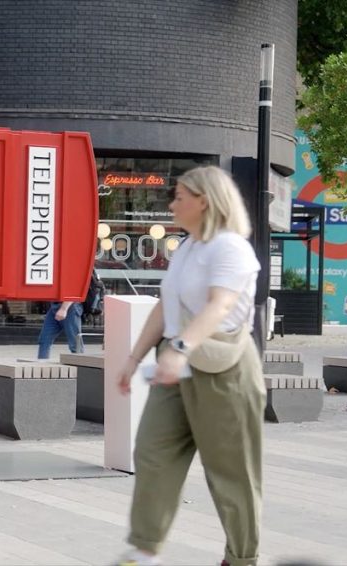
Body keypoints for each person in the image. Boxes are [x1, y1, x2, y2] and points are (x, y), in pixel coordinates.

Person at [114, 166, 264, 566]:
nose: (172, 203)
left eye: (180, 195)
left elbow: (221, 304)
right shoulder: (188, 248)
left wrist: (180, 347)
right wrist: (132, 358)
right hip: (174, 365)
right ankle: (143, 550)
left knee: (231, 470)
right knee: (152, 451)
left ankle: (241, 558)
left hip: (223, 367)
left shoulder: (230, 247)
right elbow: (166, 307)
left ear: (204, 200)